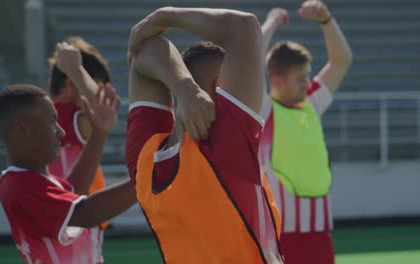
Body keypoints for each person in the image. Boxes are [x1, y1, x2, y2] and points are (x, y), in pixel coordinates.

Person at [126, 7, 282, 263]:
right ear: (219, 86)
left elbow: (143, 54)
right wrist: (164, 16)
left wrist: (184, 89)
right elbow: (245, 26)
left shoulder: (145, 164)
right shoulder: (230, 141)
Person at [0, 84, 136, 264]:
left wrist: (99, 134)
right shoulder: (18, 185)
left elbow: (73, 190)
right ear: (22, 128)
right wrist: (146, 179)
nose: (61, 132)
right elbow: (87, 213)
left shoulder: (31, 181)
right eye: (51, 122)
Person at [259, 1, 353, 263]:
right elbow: (252, 62)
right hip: (280, 238)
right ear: (276, 79)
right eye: (300, 77)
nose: (307, 82)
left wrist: (326, 19)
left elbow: (341, 61)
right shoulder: (263, 110)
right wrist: (271, 22)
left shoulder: (310, 103)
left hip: (319, 234)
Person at [46, 37, 113, 263]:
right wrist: (75, 68)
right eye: (90, 84)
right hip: (71, 231)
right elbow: (103, 114)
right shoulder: (57, 116)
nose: (97, 92)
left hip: (75, 228)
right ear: (70, 83)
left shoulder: (59, 118)